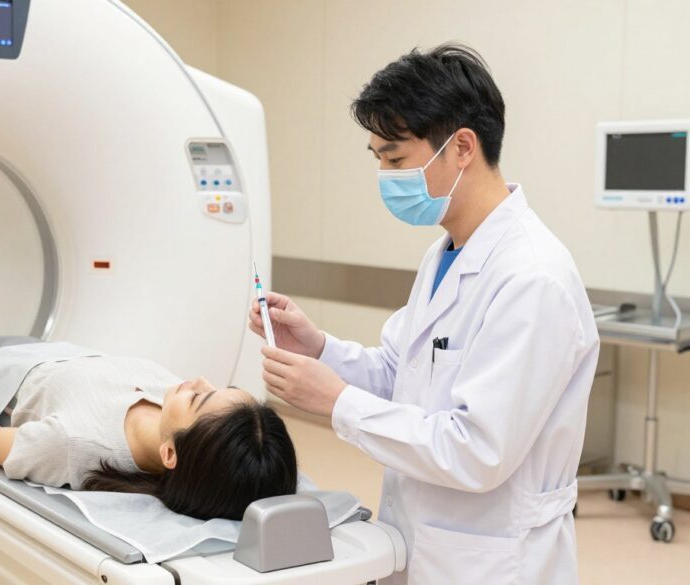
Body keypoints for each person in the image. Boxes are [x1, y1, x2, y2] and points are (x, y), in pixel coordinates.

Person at [250, 44, 599, 583]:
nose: (387, 177)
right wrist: (319, 348)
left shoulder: (532, 278)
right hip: (425, 536)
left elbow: (477, 451)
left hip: (494, 557)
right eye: (379, 161)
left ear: (462, 147)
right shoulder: (445, 253)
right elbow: (402, 375)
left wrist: (337, 402)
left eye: (395, 159)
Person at [0, 294, 297, 521]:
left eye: (200, 397)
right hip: (44, 354)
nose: (197, 381)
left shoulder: (72, 446)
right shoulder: (173, 406)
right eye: (214, 387)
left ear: (171, 455)